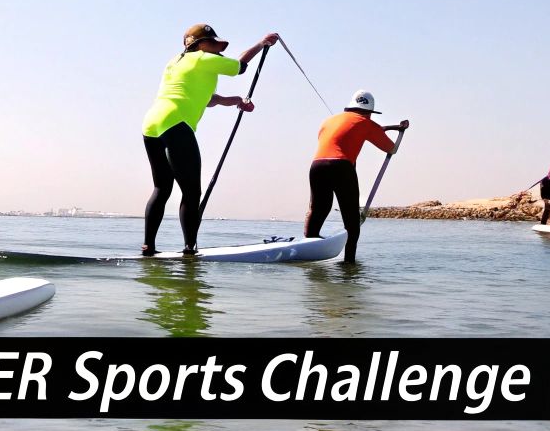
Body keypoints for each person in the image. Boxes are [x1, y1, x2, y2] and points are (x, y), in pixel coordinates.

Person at [140, 24, 280, 256]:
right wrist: (262, 44)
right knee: (192, 192)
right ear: (198, 45)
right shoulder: (201, 59)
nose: (216, 48)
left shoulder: (175, 62)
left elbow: (208, 99)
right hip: (176, 122)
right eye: (212, 43)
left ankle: (148, 246)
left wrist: (235, 100)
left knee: (161, 188)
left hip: (151, 124)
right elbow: (240, 67)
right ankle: (189, 250)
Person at [303, 91, 408, 262]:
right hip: (341, 167)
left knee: (318, 209)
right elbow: (391, 149)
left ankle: (307, 247)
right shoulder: (366, 123)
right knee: (351, 219)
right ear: (369, 113)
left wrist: (389, 128)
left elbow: (346, 135)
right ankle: (349, 264)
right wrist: (401, 132)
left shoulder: (329, 121)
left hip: (317, 166)